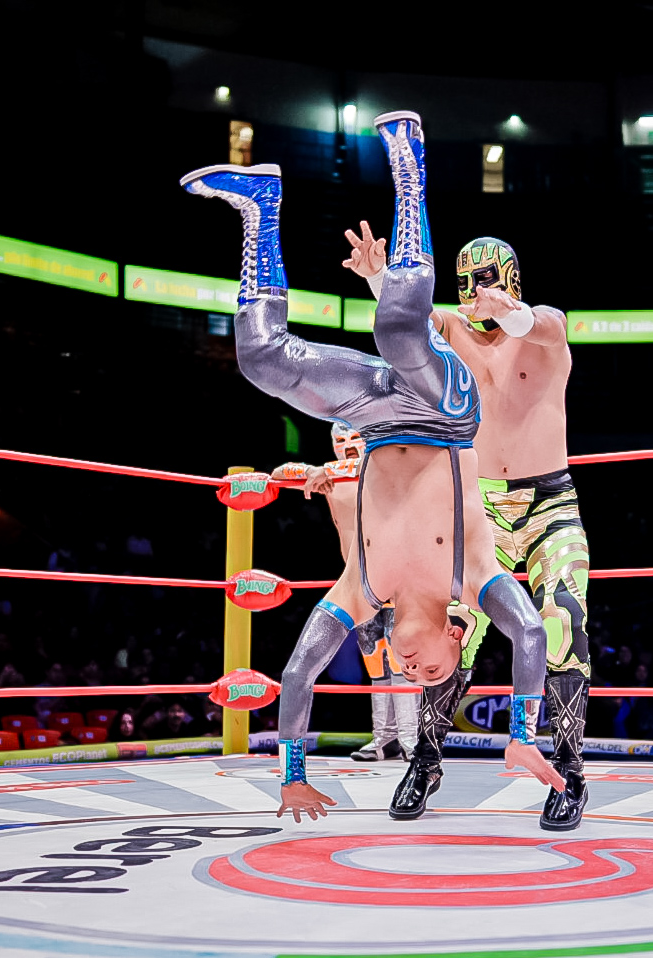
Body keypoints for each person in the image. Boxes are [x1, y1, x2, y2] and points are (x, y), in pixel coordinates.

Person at [181, 110, 563, 824]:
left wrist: (292, 776)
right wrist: (520, 734)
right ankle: (409, 167)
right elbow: (532, 635)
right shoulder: (473, 581)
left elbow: (299, 672)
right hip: (446, 412)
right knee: (396, 329)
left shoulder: (361, 592)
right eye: (434, 672)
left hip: (376, 418)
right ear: (456, 637)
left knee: (263, 361)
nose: (415, 674)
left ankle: (260, 208)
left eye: (410, 676)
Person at [343, 196, 588, 830]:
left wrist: (509, 311)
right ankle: (424, 761)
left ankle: (568, 771)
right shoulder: (449, 329)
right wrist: (377, 277)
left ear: (510, 279)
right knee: (453, 627)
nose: (477, 291)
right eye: (468, 281)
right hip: (474, 509)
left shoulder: (547, 328)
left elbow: (534, 322)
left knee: (562, 620)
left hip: (549, 501)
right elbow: (408, 323)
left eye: (487, 279)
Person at [272, 424, 419, 763]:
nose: (350, 446)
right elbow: (279, 473)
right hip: (358, 580)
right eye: (341, 441)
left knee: (401, 657)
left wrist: (327, 470)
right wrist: (313, 471)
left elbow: (373, 462)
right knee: (374, 658)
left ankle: (412, 740)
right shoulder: (329, 477)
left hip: (396, 574)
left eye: (355, 439)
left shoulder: (381, 468)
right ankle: (384, 739)